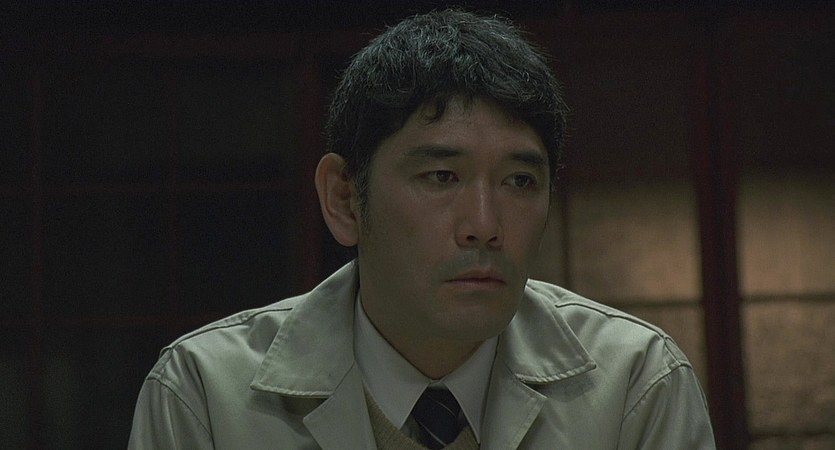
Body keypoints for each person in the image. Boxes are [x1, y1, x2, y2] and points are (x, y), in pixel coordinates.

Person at [129, 9, 715, 449]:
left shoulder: (634, 383)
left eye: (519, 182)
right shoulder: (208, 395)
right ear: (344, 198)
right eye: (441, 176)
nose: (484, 226)